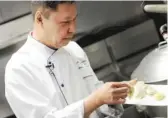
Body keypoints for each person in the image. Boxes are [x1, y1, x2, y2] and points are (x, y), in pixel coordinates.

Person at [5, 1, 133, 118]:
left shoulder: (73, 49)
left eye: (74, 20)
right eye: (65, 22)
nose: (73, 29)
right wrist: (96, 99)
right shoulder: (19, 68)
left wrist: (115, 95)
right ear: (40, 19)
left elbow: (97, 101)